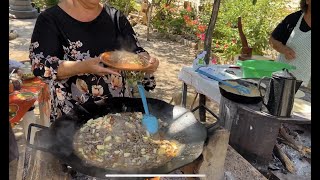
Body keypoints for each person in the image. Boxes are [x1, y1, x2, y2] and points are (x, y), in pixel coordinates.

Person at [29, 0, 159, 122]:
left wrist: (147, 61)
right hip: (74, 111)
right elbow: (40, 66)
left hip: (118, 107)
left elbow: (135, 51)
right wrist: (82, 67)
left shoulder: (115, 17)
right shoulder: (50, 19)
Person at [269, 0, 311, 87]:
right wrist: (284, 49)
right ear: (307, 1)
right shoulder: (293, 19)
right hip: (280, 78)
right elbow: (272, 40)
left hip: (303, 83)